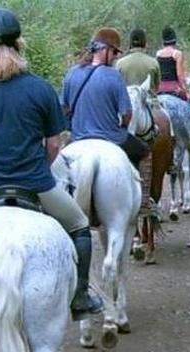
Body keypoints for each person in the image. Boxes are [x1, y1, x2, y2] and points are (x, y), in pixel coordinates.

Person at [0, 8, 103, 317]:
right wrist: (38, 166)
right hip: (37, 183)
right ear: (20, 43)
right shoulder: (41, 88)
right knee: (79, 226)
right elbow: (54, 144)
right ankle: (81, 296)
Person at [61, 27, 153, 213]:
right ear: (104, 50)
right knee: (145, 154)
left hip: (77, 138)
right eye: (114, 53)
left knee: (58, 165)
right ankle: (144, 205)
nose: (115, 58)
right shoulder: (113, 75)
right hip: (111, 137)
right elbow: (126, 113)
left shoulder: (72, 73)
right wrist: (123, 126)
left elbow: (63, 109)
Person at [115, 28, 160, 97]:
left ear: (130, 43)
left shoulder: (120, 64)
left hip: (127, 101)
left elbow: (117, 87)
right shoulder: (153, 63)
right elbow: (157, 87)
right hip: (149, 101)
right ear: (145, 43)